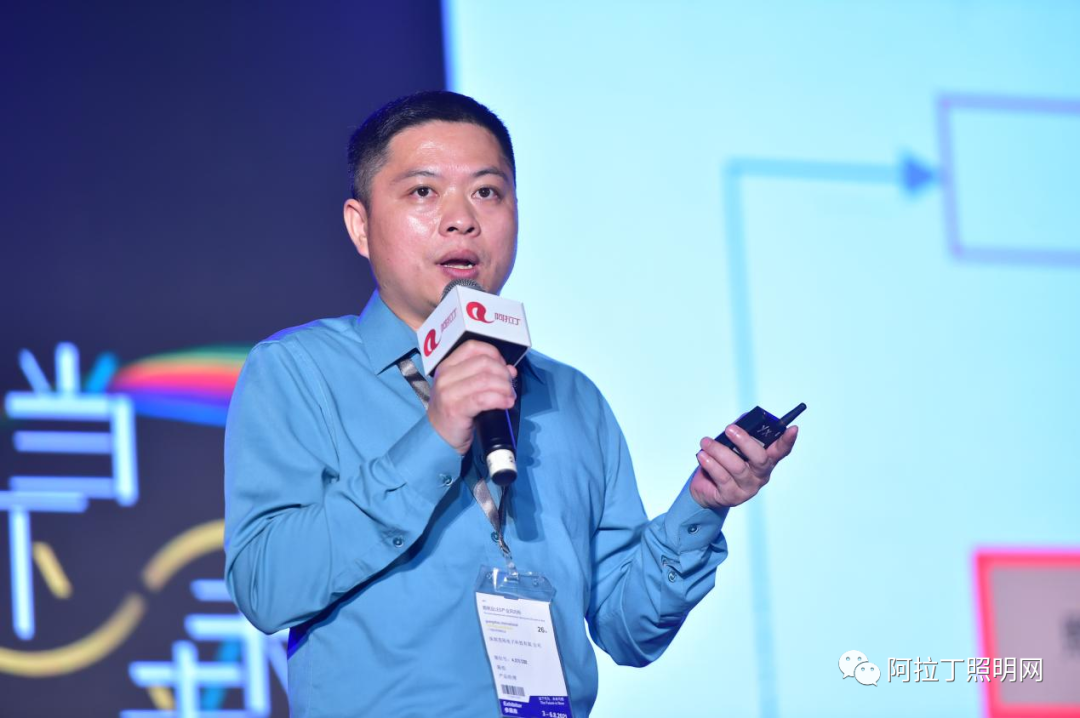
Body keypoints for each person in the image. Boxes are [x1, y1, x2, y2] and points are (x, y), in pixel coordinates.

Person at [224, 90, 799, 718]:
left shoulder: (571, 398)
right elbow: (265, 587)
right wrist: (435, 436)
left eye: (486, 192)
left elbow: (629, 631)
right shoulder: (299, 371)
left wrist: (703, 506)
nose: (460, 219)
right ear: (360, 226)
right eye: (423, 192)